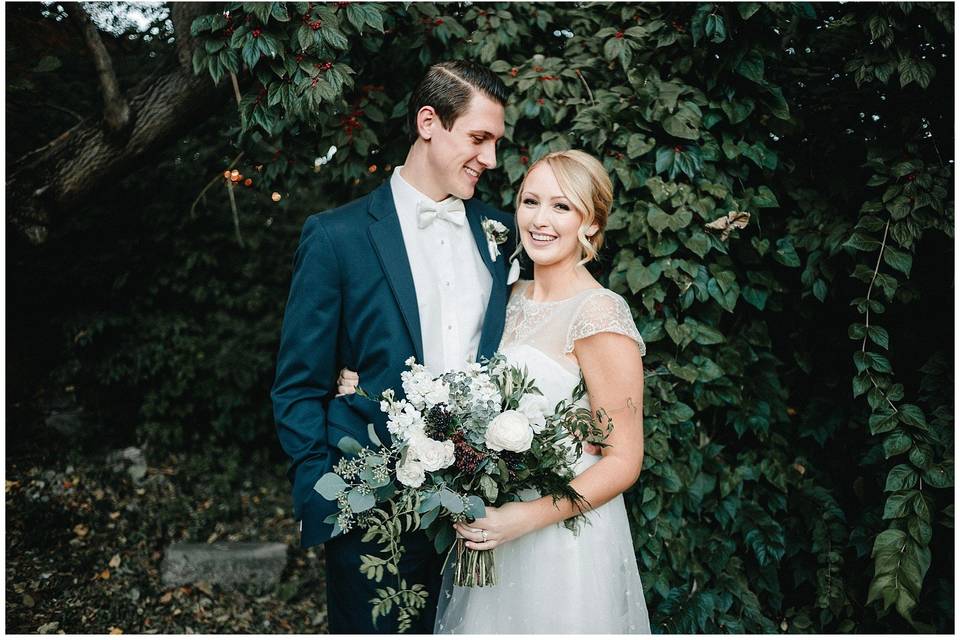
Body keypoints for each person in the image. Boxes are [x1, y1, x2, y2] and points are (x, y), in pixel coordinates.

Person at [339, 150, 651, 633]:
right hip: (488, 527)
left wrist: (523, 518)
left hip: (558, 538)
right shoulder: (505, 296)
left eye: (561, 207)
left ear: (590, 223)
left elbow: (623, 459)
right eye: (530, 201)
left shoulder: (601, 315)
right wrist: (369, 386)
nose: (540, 220)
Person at [271, 61, 513, 634]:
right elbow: (298, 382)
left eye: (497, 143)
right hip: (371, 511)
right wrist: (326, 492)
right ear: (429, 122)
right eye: (479, 139)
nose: (492, 159)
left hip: (487, 517)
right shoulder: (337, 236)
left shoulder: (504, 234)